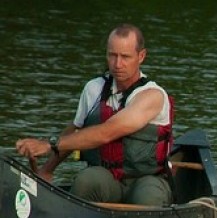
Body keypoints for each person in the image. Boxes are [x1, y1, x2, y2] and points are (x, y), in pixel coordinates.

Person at [15, 23, 174, 206]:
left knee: (146, 198)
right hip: (108, 179)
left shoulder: (153, 95)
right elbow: (75, 131)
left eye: (125, 57)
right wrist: (47, 170)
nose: (117, 64)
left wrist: (49, 144)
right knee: (86, 181)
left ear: (141, 56)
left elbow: (108, 132)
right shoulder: (93, 88)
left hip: (147, 179)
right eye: (112, 55)